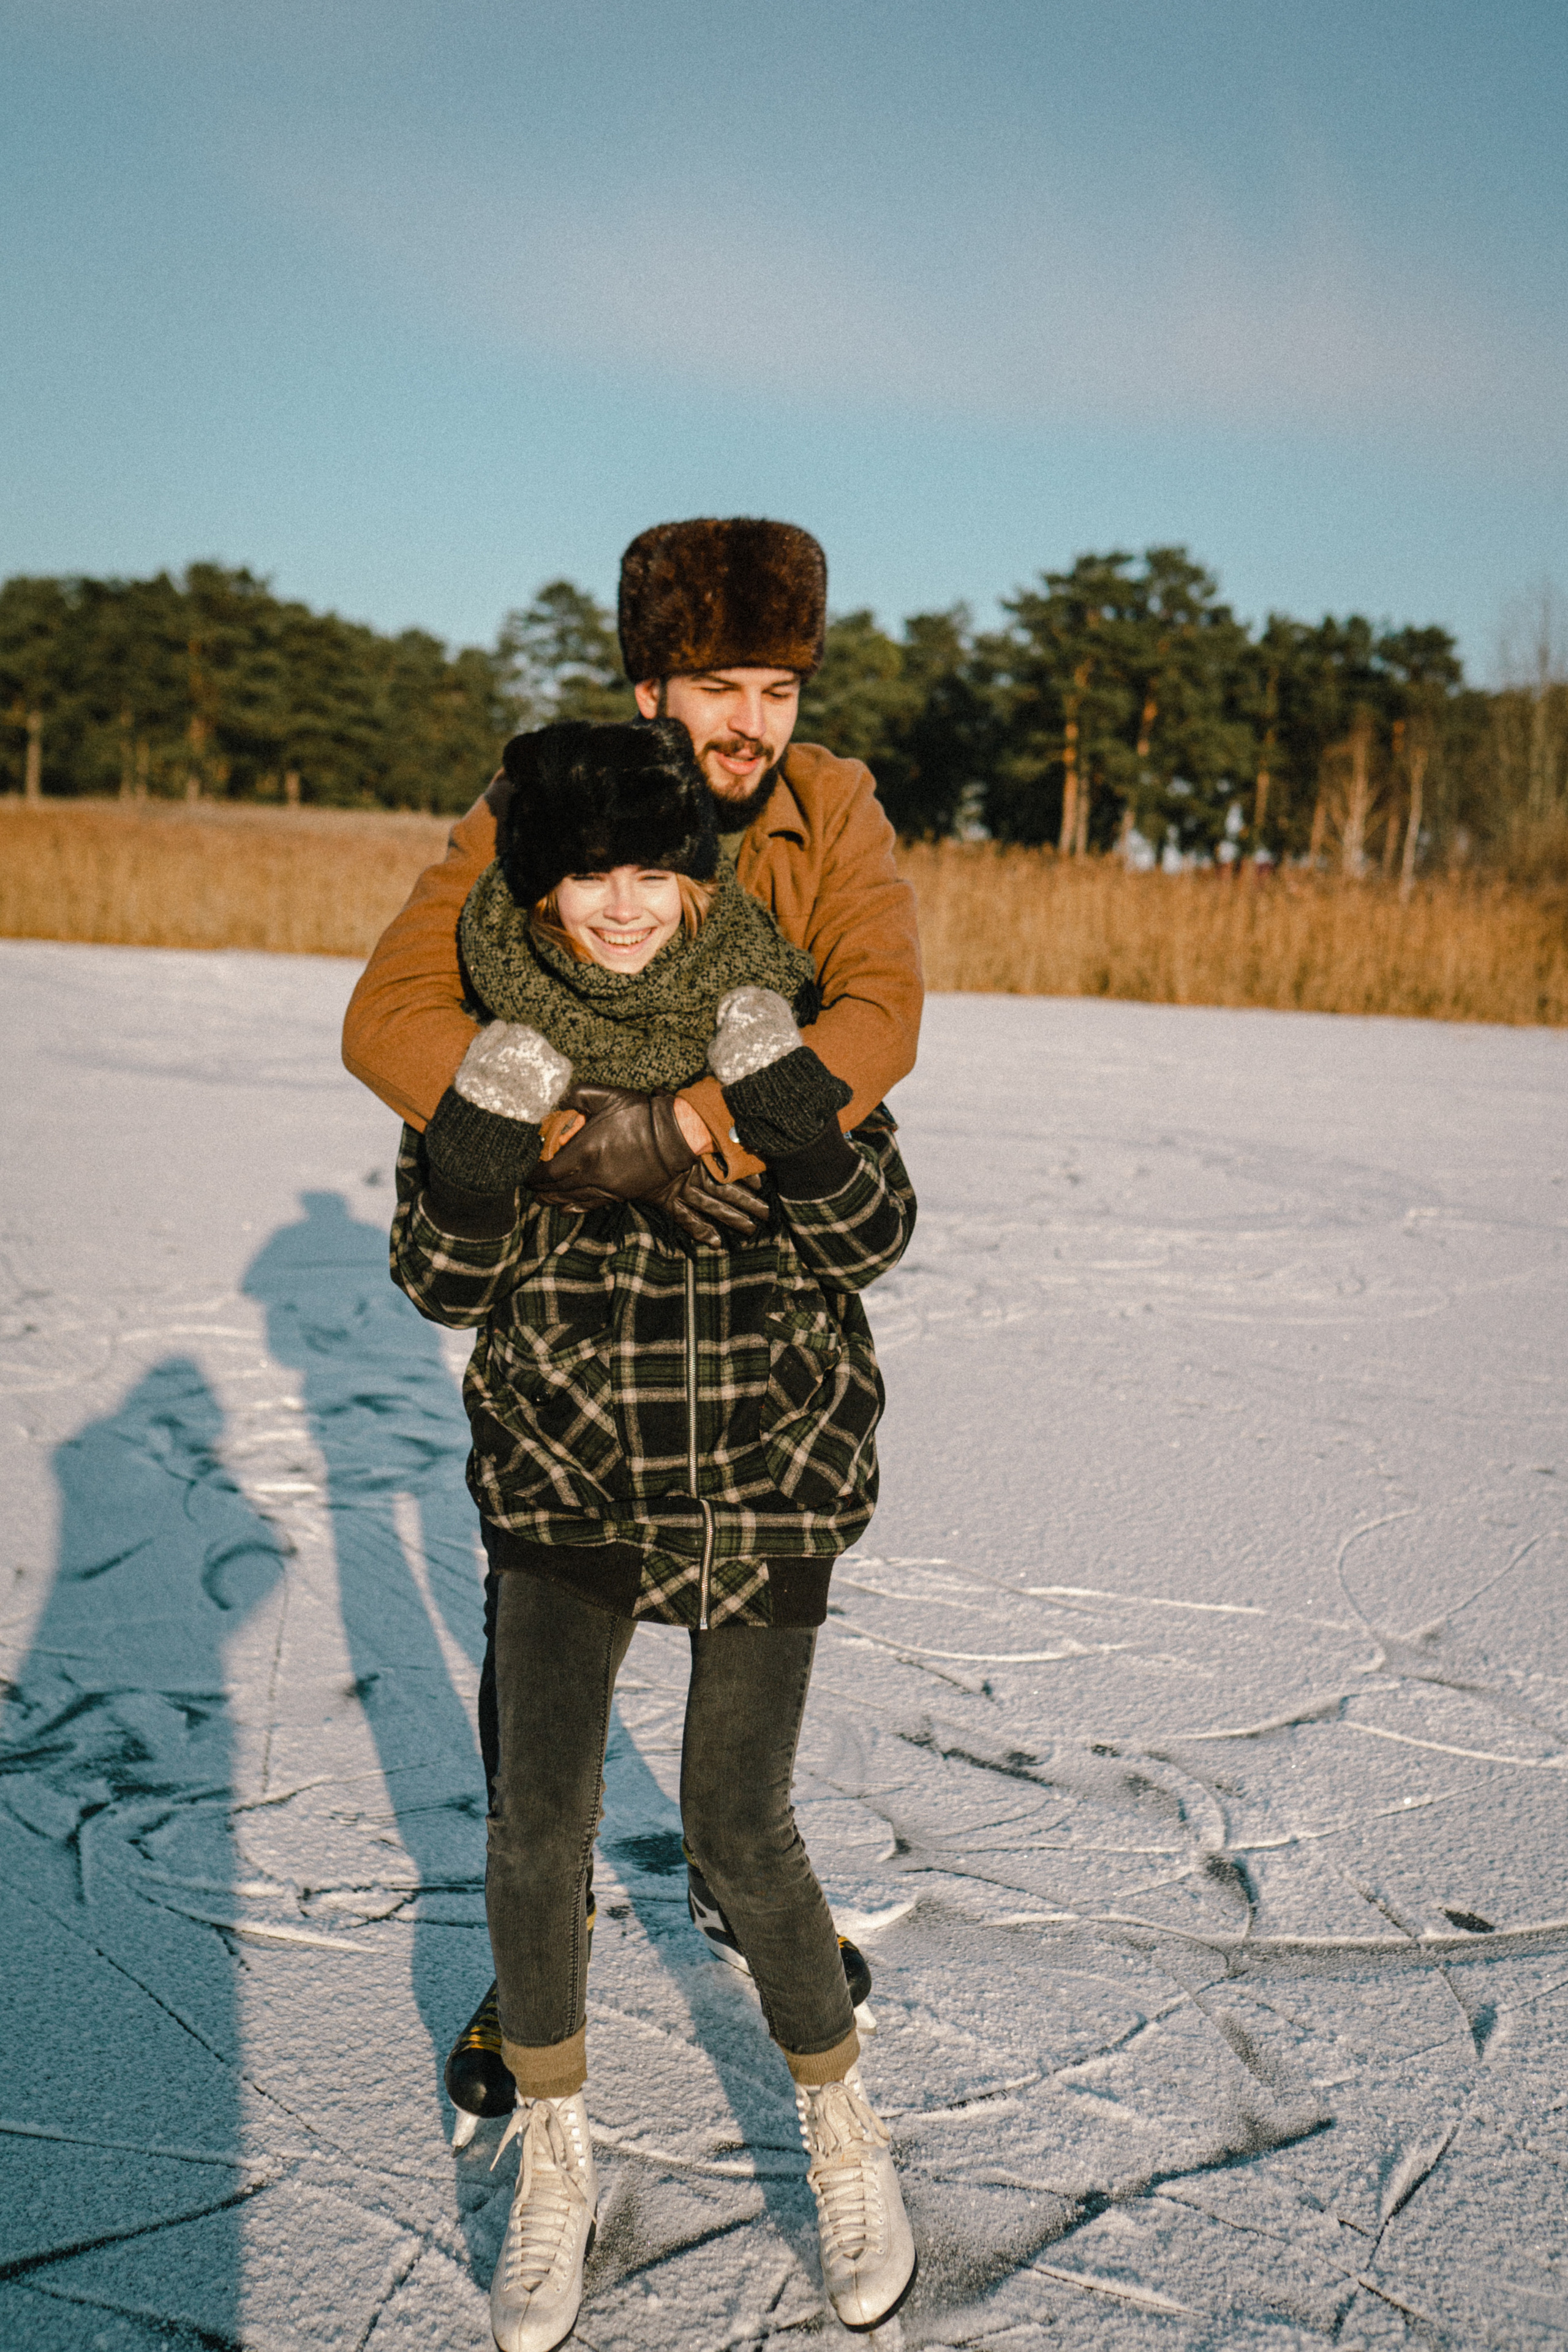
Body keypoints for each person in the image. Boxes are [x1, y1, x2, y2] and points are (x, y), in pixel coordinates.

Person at [342, 514, 924, 2085]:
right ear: (647, 681)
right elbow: (389, 1015)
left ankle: (749, 1895)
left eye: (780, 688)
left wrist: (684, 1131)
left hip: (754, 1320)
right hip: (577, 1339)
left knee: (741, 1741)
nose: (752, 722)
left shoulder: (832, 806)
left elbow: (877, 1008)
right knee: (539, 1731)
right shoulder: (539, 799)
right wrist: (560, 1149)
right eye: (717, 683)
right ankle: (532, 1975)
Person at [390, 717, 919, 2348]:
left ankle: (841, 2126)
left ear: (698, 873)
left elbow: (878, 1233)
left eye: (650, 867)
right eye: (582, 872)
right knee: (535, 1831)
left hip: (769, 1460)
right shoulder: (501, 1044)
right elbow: (438, 1283)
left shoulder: (776, 1014)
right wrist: (490, 1153)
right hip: (569, 1467)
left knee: (737, 1830)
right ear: (538, 887)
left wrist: (778, 1102)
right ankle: (557, 2156)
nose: (620, 904)